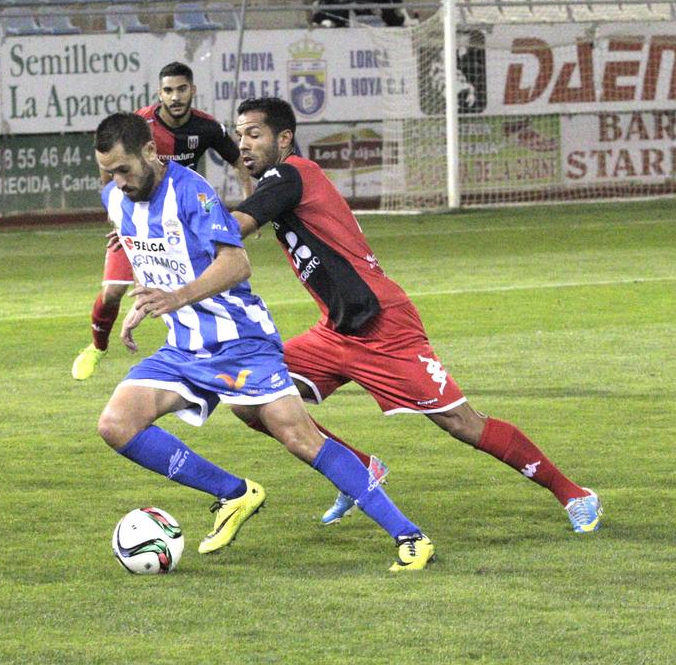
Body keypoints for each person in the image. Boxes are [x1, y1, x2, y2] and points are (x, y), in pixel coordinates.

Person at [229, 97, 602, 534]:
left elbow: (236, 226)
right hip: (337, 330)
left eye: (253, 134)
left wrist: (163, 228)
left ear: (284, 138)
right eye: (239, 135)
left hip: (384, 325)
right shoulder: (280, 181)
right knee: (249, 399)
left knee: (461, 423)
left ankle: (574, 493)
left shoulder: (291, 174)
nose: (244, 144)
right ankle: (360, 469)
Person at [93, 111, 435, 571]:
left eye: (124, 170)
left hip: (241, 341)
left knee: (299, 438)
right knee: (116, 424)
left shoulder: (191, 191)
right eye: (108, 172)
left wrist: (174, 297)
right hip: (184, 348)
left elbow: (237, 265)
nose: (117, 181)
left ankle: (410, 536)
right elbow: (154, 256)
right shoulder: (116, 200)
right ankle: (234, 493)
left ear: (151, 153)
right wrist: (141, 304)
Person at [72, 61, 252, 380]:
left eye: (181, 89)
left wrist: (251, 205)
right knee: (113, 292)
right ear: (160, 93)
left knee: (212, 271)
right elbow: (111, 169)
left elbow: (240, 162)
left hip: (178, 218)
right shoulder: (141, 125)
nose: (175, 96)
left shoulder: (206, 129)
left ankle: (227, 346)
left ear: (192, 90)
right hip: (136, 219)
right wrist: (124, 221)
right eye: (168, 90)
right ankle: (97, 347)